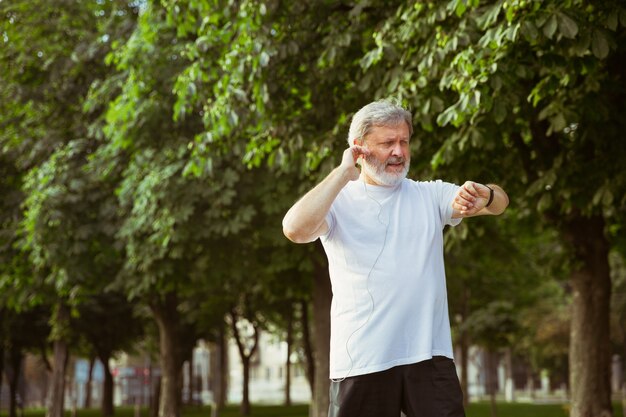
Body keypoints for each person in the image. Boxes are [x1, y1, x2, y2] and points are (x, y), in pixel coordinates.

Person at [282, 99, 509, 417]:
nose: (399, 151)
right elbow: (294, 229)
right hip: (362, 360)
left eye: (404, 141)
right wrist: (343, 172)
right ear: (359, 149)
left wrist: (485, 193)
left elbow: (498, 203)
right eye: (388, 143)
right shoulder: (337, 202)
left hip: (430, 357)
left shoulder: (429, 195)